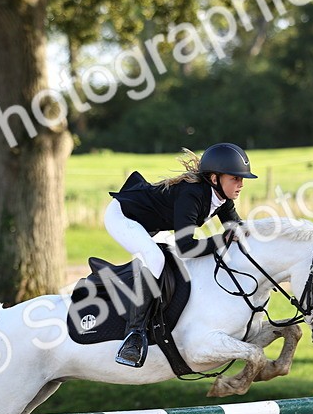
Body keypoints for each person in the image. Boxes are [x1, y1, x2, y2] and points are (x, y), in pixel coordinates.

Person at [104, 142, 256, 367]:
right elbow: (186, 247)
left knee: (168, 261)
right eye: (235, 178)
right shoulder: (192, 195)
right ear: (214, 178)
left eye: (241, 179)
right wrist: (220, 241)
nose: (241, 184)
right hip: (123, 217)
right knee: (155, 259)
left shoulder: (222, 197)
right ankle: (133, 335)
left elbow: (239, 230)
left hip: (150, 223)